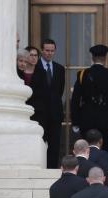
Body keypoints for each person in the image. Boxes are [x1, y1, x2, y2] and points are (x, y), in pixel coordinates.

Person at [70, 44, 108, 158]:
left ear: (92, 58)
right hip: (106, 118)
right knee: (106, 148)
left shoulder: (83, 74)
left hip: (87, 118)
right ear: (105, 58)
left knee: (86, 149)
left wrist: (75, 121)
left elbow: (75, 99)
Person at [35, 39, 66, 169]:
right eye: (47, 50)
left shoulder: (59, 69)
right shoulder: (35, 67)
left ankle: (52, 170)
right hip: (39, 114)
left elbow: (60, 90)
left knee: (54, 145)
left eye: (52, 51)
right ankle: (39, 168)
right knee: (39, 143)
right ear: (42, 50)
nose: (49, 53)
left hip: (55, 113)